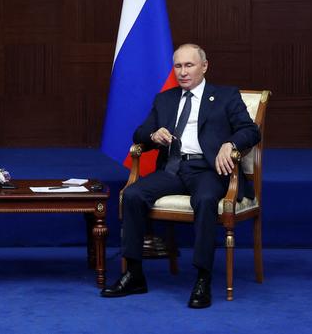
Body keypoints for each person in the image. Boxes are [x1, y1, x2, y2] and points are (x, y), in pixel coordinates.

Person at [101, 43, 260, 308]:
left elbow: (251, 131)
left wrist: (229, 144)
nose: (183, 72)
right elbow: (139, 134)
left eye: (189, 65)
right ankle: (134, 274)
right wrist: (153, 136)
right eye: (178, 66)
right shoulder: (165, 99)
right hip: (174, 168)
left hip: (209, 170)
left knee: (206, 200)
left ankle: (202, 278)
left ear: (204, 66)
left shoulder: (226, 96)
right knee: (132, 194)